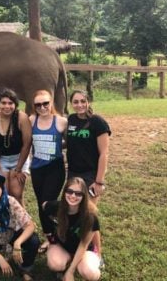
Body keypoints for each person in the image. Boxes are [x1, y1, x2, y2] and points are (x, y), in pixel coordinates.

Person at [67, 89, 111, 258]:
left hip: (90, 174)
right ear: (71, 103)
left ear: (88, 102)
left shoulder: (98, 122)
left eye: (83, 101)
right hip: (72, 173)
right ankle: (77, 247)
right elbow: (71, 142)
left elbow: (104, 154)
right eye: (76, 102)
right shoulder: (71, 120)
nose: (79, 105)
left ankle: (97, 253)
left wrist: (99, 181)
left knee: (89, 214)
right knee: (75, 211)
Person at [29, 89, 67, 253]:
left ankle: (66, 225)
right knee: (40, 205)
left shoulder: (61, 121)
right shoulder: (31, 120)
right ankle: (50, 238)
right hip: (37, 168)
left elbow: (70, 141)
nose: (42, 107)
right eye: (38, 104)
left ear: (51, 103)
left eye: (45, 103)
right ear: (34, 106)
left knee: (47, 204)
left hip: (55, 168)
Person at [43, 177, 102, 281]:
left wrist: (71, 271)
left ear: (84, 196)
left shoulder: (90, 217)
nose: (73, 196)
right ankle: (67, 261)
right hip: (62, 246)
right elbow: (43, 206)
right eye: (69, 191)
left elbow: (83, 245)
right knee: (55, 264)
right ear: (64, 192)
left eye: (78, 193)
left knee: (90, 273)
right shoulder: (55, 207)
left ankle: (79, 264)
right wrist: (50, 238)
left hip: (84, 250)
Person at [0, 88, 32, 205]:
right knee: (3, 192)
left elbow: (27, 144)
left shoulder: (22, 117)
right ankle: (4, 220)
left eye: (10, 103)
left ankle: (22, 221)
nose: (7, 106)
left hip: (19, 157)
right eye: (3, 103)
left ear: (15, 104)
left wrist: (19, 168)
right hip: (0, 158)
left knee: (16, 193)